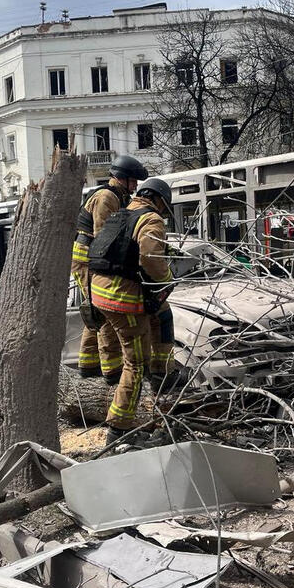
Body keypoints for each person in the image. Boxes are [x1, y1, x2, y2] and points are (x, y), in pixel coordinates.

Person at [87, 178, 174, 444]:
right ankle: (119, 430)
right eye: (164, 208)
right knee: (136, 362)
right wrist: (167, 279)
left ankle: (162, 374)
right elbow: (150, 258)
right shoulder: (150, 220)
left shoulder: (120, 214)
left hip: (99, 293)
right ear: (158, 200)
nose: (163, 214)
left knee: (162, 314)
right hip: (122, 299)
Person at [71, 155, 148, 383]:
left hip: (95, 259)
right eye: (133, 181)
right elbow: (105, 237)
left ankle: (88, 366)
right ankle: (111, 373)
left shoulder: (119, 196)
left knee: (96, 311)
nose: (135, 187)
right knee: (103, 311)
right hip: (88, 260)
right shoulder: (107, 197)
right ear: (121, 178)